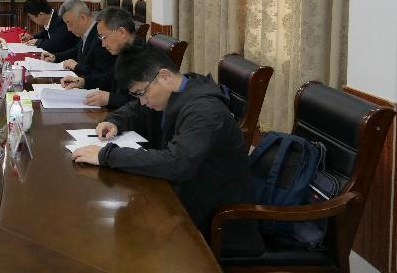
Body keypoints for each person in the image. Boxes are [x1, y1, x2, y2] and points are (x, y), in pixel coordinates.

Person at [71, 45, 264, 255]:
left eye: (142, 93)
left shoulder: (204, 110)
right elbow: (135, 110)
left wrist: (107, 155)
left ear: (164, 76)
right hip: (182, 202)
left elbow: (177, 163)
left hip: (214, 224)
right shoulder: (176, 91)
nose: (142, 101)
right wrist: (115, 121)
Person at [40, 0, 115, 90]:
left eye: (69, 23)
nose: (68, 29)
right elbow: (76, 51)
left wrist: (77, 66)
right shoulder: (87, 33)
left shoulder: (101, 38)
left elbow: (103, 75)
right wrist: (55, 57)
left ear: (83, 18)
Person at [83, 7, 139, 107]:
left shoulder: (142, 59)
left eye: (104, 37)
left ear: (121, 32)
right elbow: (110, 78)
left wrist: (110, 99)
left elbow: (141, 104)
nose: (103, 45)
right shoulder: (124, 51)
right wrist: (83, 81)